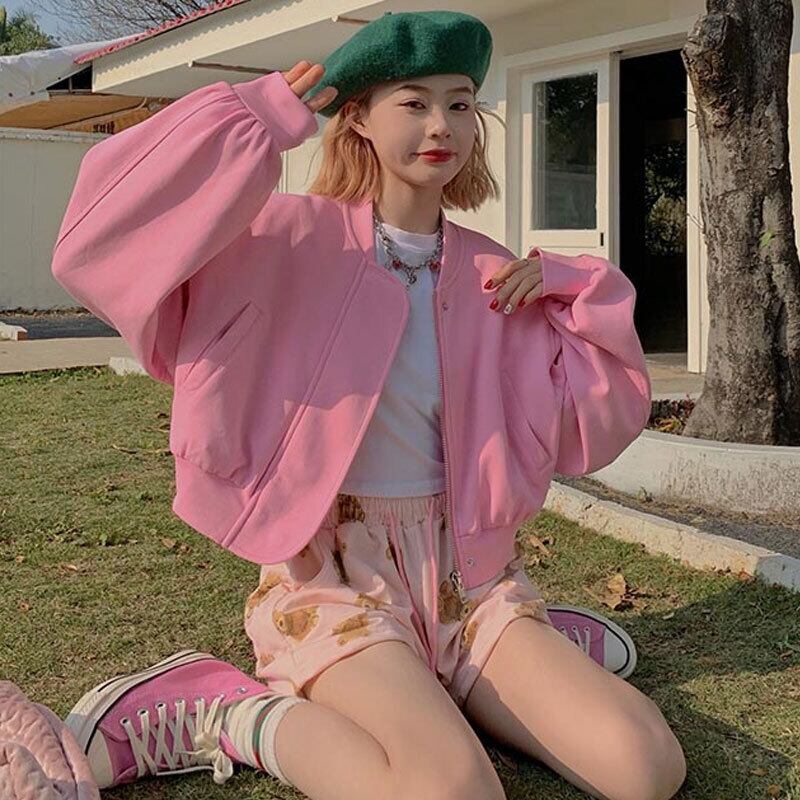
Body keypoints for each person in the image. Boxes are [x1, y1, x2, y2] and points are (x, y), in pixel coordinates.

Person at [52, 10, 686, 800]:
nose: (441, 125)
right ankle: (232, 712)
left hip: (472, 578)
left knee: (648, 768)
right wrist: (254, 120)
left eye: (459, 103)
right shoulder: (282, 242)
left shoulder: (497, 277)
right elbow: (100, 243)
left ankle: (482, 665)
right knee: (454, 792)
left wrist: (577, 290)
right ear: (356, 118)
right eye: (413, 102)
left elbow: (598, 423)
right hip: (333, 574)